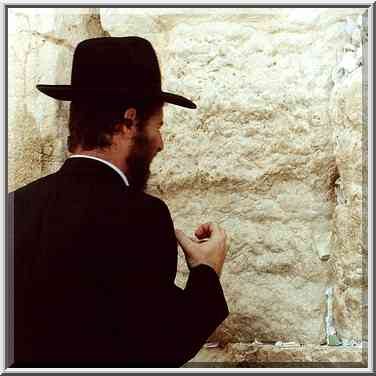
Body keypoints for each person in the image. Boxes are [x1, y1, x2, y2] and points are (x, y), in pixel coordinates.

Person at [8, 36, 229, 368]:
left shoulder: (13, 207)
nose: (160, 143)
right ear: (129, 121)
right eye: (158, 127)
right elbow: (160, 348)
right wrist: (206, 273)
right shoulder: (142, 217)